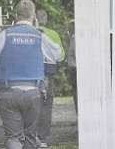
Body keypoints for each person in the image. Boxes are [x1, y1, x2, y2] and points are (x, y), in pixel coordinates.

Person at [0, 0, 63, 149]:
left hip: (8, 92)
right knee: (31, 137)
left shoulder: (5, 35)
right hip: (33, 93)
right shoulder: (39, 36)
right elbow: (57, 54)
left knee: (13, 138)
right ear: (33, 16)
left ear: (16, 16)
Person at [35, 10, 65, 148]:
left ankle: (31, 134)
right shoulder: (53, 34)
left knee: (33, 103)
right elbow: (61, 56)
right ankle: (42, 138)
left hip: (32, 71)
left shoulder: (30, 32)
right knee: (46, 105)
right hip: (48, 71)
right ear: (46, 19)